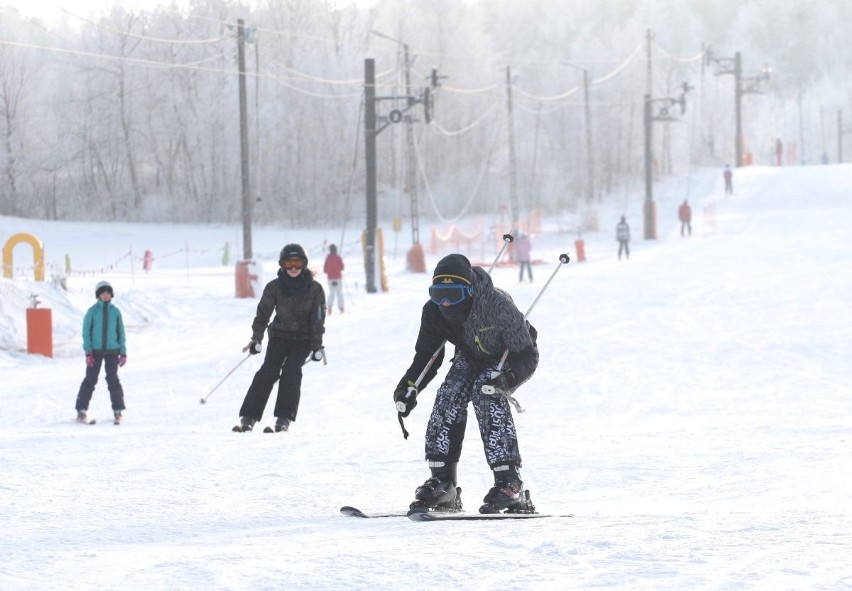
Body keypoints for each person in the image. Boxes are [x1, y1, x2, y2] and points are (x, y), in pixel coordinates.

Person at [393, 254, 539, 514]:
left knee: (486, 391)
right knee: (449, 394)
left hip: (507, 356)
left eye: (453, 294)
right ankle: (443, 482)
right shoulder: (434, 312)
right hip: (470, 355)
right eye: (439, 294)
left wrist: (510, 377)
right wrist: (408, 387)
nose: (446, 303)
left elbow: (527, 355)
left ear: (469, 291)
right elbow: (428, 356)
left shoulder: (499, 307)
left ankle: (509, 482)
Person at [234, 244, 326, 433]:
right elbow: (263, 315)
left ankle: (283, 419)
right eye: (288, 263)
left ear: (305, 264)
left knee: (291, 371)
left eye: (297, 263)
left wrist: (317, 346)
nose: (293, 268)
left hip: (303, 340)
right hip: (279, 336)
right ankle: (248, 417)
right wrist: (256, 338)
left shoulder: (315, 290)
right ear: (282, 265)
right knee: (268, 371)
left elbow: (318, 320)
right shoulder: (274, 287)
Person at [75, 281, 127, 425]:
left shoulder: (115, 312)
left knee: (113, 379)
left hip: (112, 351)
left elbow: (121, 333)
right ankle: (81, 410)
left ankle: (118, 410)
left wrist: (123, 353)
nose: (106, 295)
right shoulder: (92, 312)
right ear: (98, 295)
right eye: (103, 293)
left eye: (108, 293)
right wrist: (88, 353)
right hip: (95, 352)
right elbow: (86, 333)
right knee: (90, 379)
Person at [323, 244, 345, 314]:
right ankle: (341, 308)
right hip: (338, 278)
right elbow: (342, 267)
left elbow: (325, 270)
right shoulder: (338, 257)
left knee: (331, 293)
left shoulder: (328, 258)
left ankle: (329, 308)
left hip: (330, 278)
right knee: (339, 293)